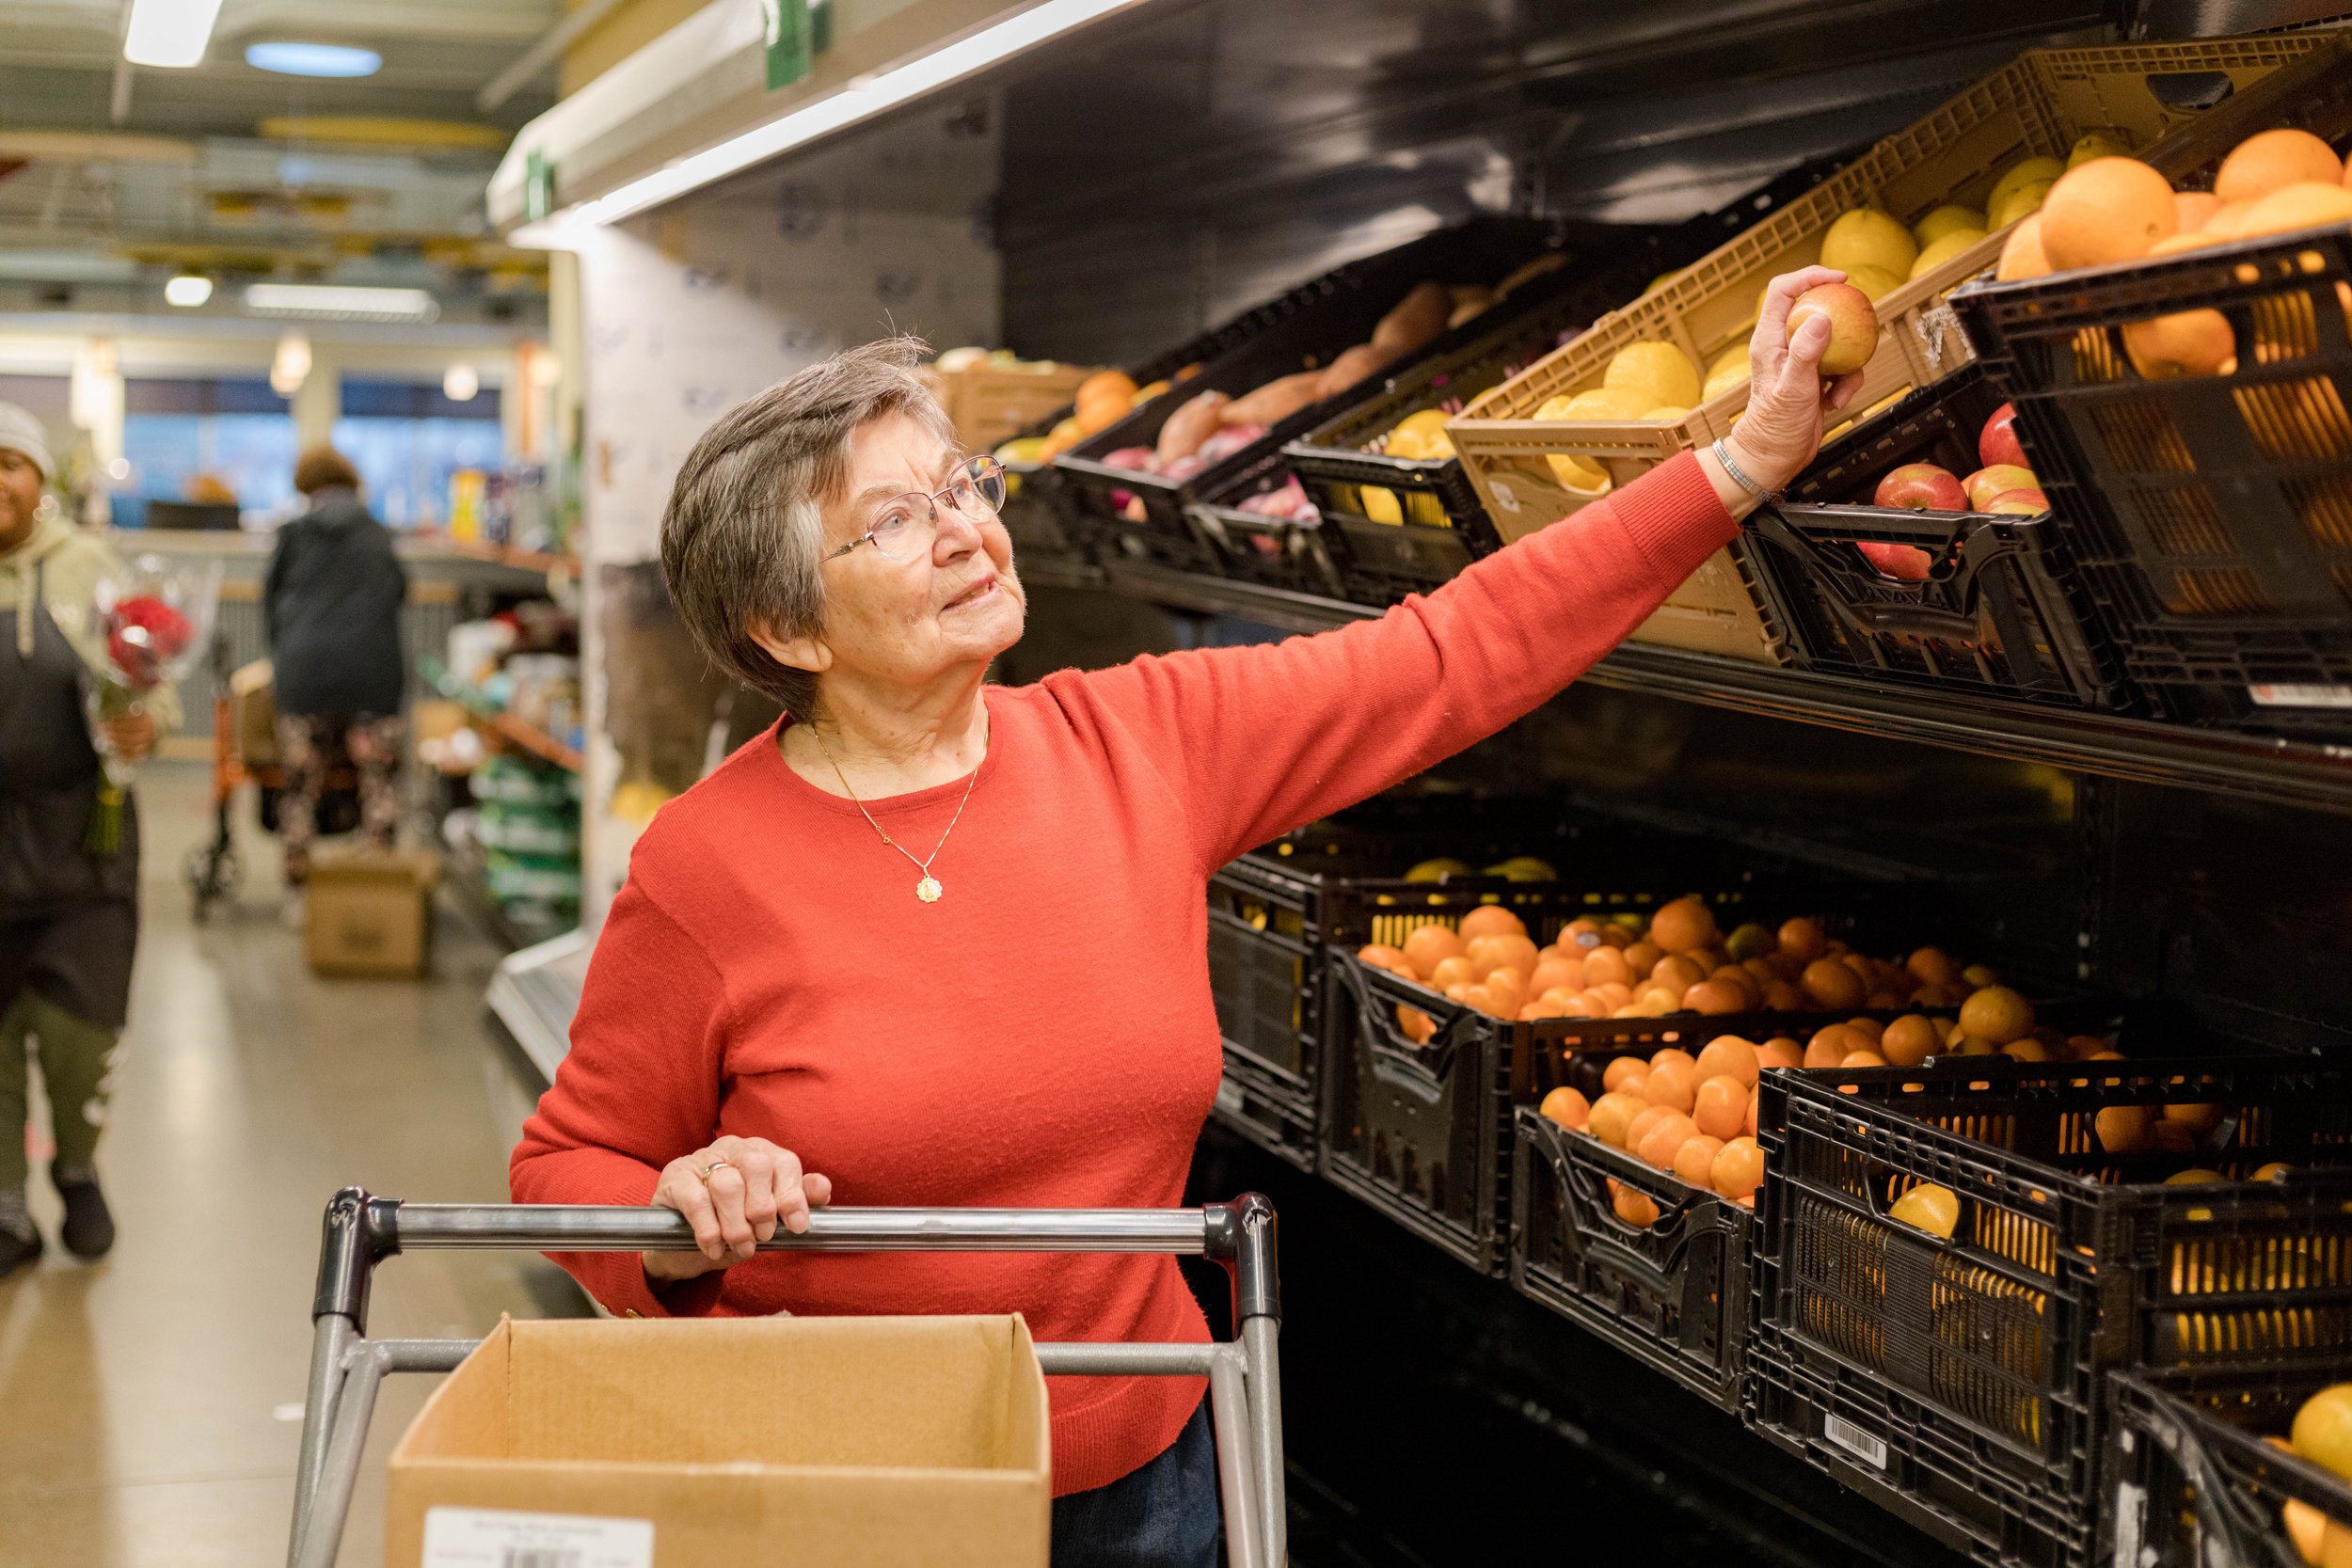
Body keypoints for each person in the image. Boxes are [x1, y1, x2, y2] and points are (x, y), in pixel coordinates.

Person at [512, 269, 1860, 1564]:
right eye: (894, 520)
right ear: (785, 626)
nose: (969, 528)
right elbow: (568, 1163)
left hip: (1143, 1475)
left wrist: (1735, 465)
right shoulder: (707, 865)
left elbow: (1449, 652)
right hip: (847, 1495)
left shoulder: (1135, 745)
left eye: (961, 487)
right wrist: (675, 1215)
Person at [0, 402, 175, 1278]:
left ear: (38, 480)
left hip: (84, 839)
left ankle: (75, 1164)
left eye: (10, 463)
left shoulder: (90, 571)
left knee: (80, 1028)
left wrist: (145, 721)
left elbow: (152, 688)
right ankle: (4, 1204)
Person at [262, 447, 408, 897]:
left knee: (302, 784)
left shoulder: (293, 534)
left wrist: (286, 653)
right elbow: (400, 593)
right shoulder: (379, 534)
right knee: (378, 782)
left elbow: (268, 602)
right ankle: (376, 883)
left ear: (309, 489)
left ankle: (298, 884)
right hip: (372, 677)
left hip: (305, 676)